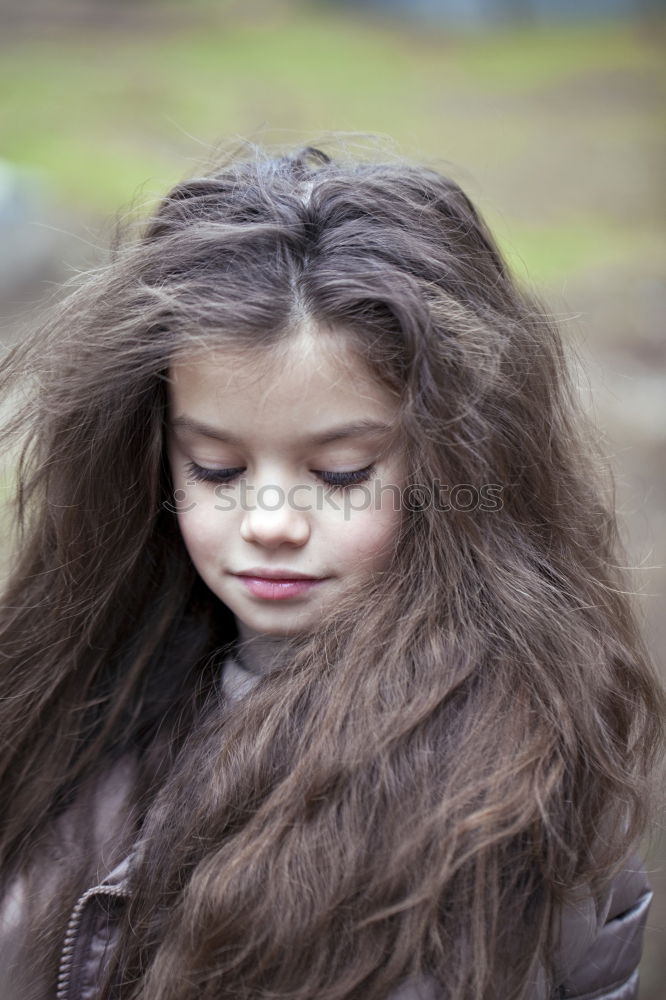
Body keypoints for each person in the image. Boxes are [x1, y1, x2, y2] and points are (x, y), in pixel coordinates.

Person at [0, 142, 662, 1000]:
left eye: (341, 474)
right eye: (217, 469)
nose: (270, 523)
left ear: (454, 465)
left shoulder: (512, 789)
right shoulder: (77, 688)